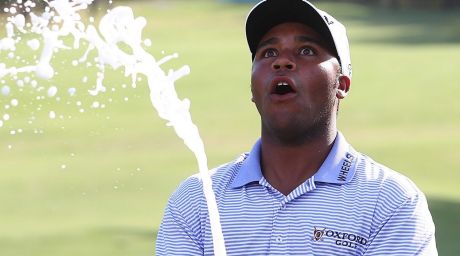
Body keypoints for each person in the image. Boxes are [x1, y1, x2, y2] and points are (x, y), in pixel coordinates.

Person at [156, 0, 438, 255]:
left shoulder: (390, 201)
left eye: (306, 50)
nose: (281, 61)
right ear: (253, 88)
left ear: (341, 84)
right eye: (268, 52)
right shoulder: (196, 201)